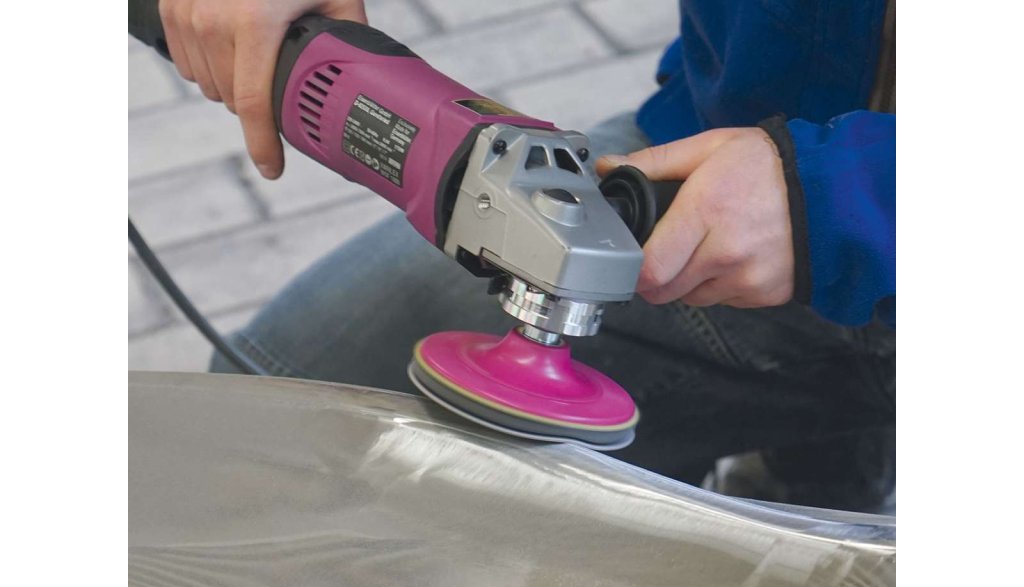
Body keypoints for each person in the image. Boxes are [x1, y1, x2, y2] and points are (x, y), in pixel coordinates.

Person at [157, 0, 896, 511]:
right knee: (262, 409)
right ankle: (818, 474)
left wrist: (852, 195)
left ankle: (826, 493)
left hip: (852, 199)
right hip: (720, 159)